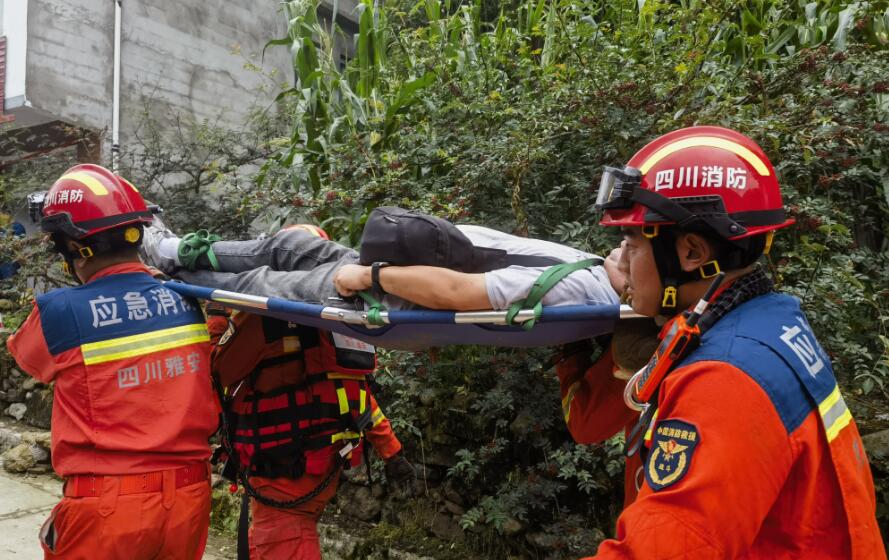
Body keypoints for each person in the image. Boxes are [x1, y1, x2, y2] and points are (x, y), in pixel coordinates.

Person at [528, 126, 889, 560]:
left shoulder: (725, 380)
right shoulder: (764, 322)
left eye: (632, 245)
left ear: (692, 252)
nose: (616, 259)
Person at [7, 164, 220, 560]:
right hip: (189, 499)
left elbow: (29, 361)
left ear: (72, 246)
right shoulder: (187, 299)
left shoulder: (61, 310)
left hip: (109, 507)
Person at [206, 228, 416, 560]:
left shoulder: (264, 315)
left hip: (282, 471)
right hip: (319, 467)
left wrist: (218, 320)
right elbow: (357, 395)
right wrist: (391, 451)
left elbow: (218, 372)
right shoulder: (342, 321)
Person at [139, 218, 624, 312]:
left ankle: (170, 276)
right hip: (391, 269)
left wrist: (370, 276)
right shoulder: (594, 264)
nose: (625, 244)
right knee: (287, 245)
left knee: (263, 280)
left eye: (639, 245)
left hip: (384, 290)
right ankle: (172, 251)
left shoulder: (583, 288)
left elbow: (462, 295)